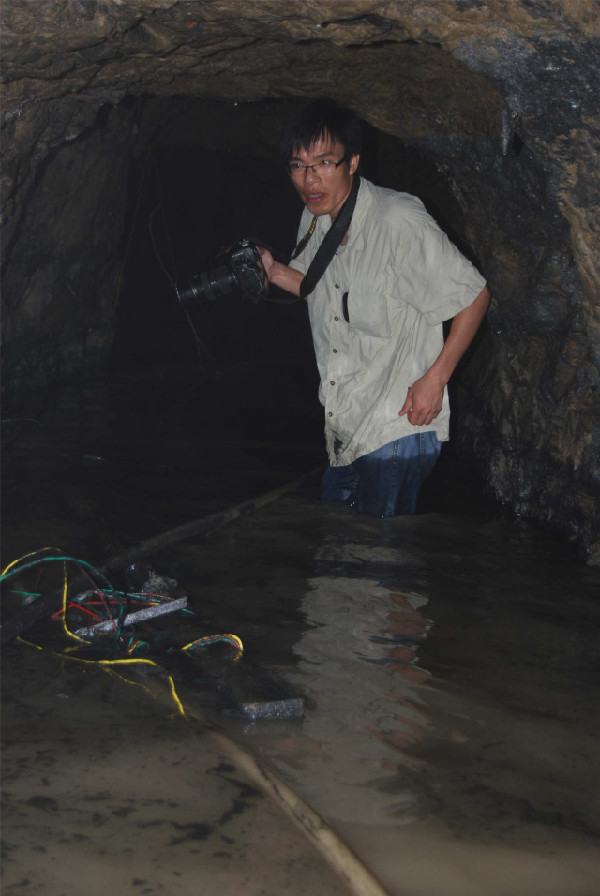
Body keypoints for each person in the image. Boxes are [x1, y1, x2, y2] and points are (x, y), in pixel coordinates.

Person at [259, 98, 490, 517]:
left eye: (324, 163)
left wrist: (436, 379)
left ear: (352, 163)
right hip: (347, 426)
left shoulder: (397, 220)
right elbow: (317, 287)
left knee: (377, 553)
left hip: (396, 429)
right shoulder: (314, 219)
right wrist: (273, 270)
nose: (310, 179)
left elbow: (473, 295)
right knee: (340, 547)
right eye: (298, 166)